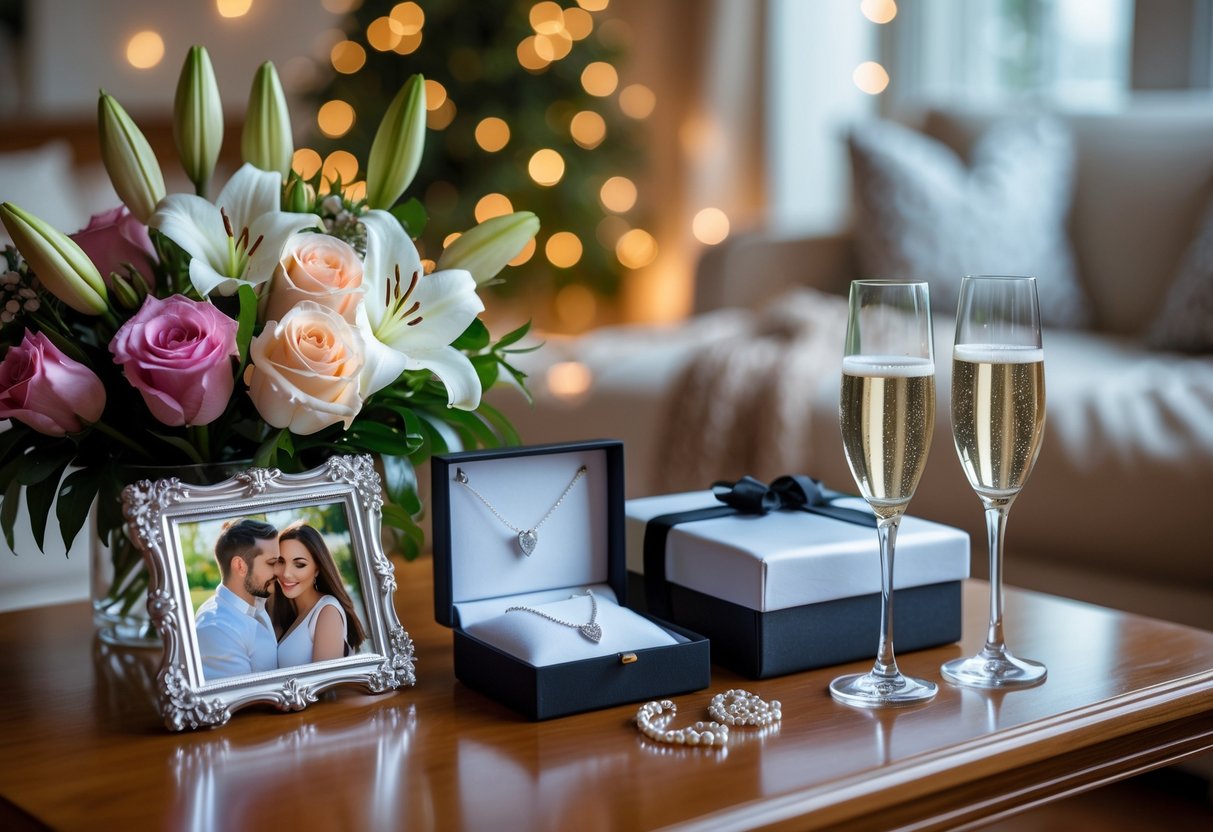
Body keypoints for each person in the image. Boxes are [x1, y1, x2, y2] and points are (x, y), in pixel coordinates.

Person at [271, 521, 367, 667]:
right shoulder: (289, 614)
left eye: (299, 564)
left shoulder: (327, 611)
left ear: (317, 569)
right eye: (281, 561)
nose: (286, 574)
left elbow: (327, 681)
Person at [194, 519, 280, 680]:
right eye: (271, 563)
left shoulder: (257, 604)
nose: (279, 571)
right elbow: (242, 695)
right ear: (240, 566)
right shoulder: (216, 628)